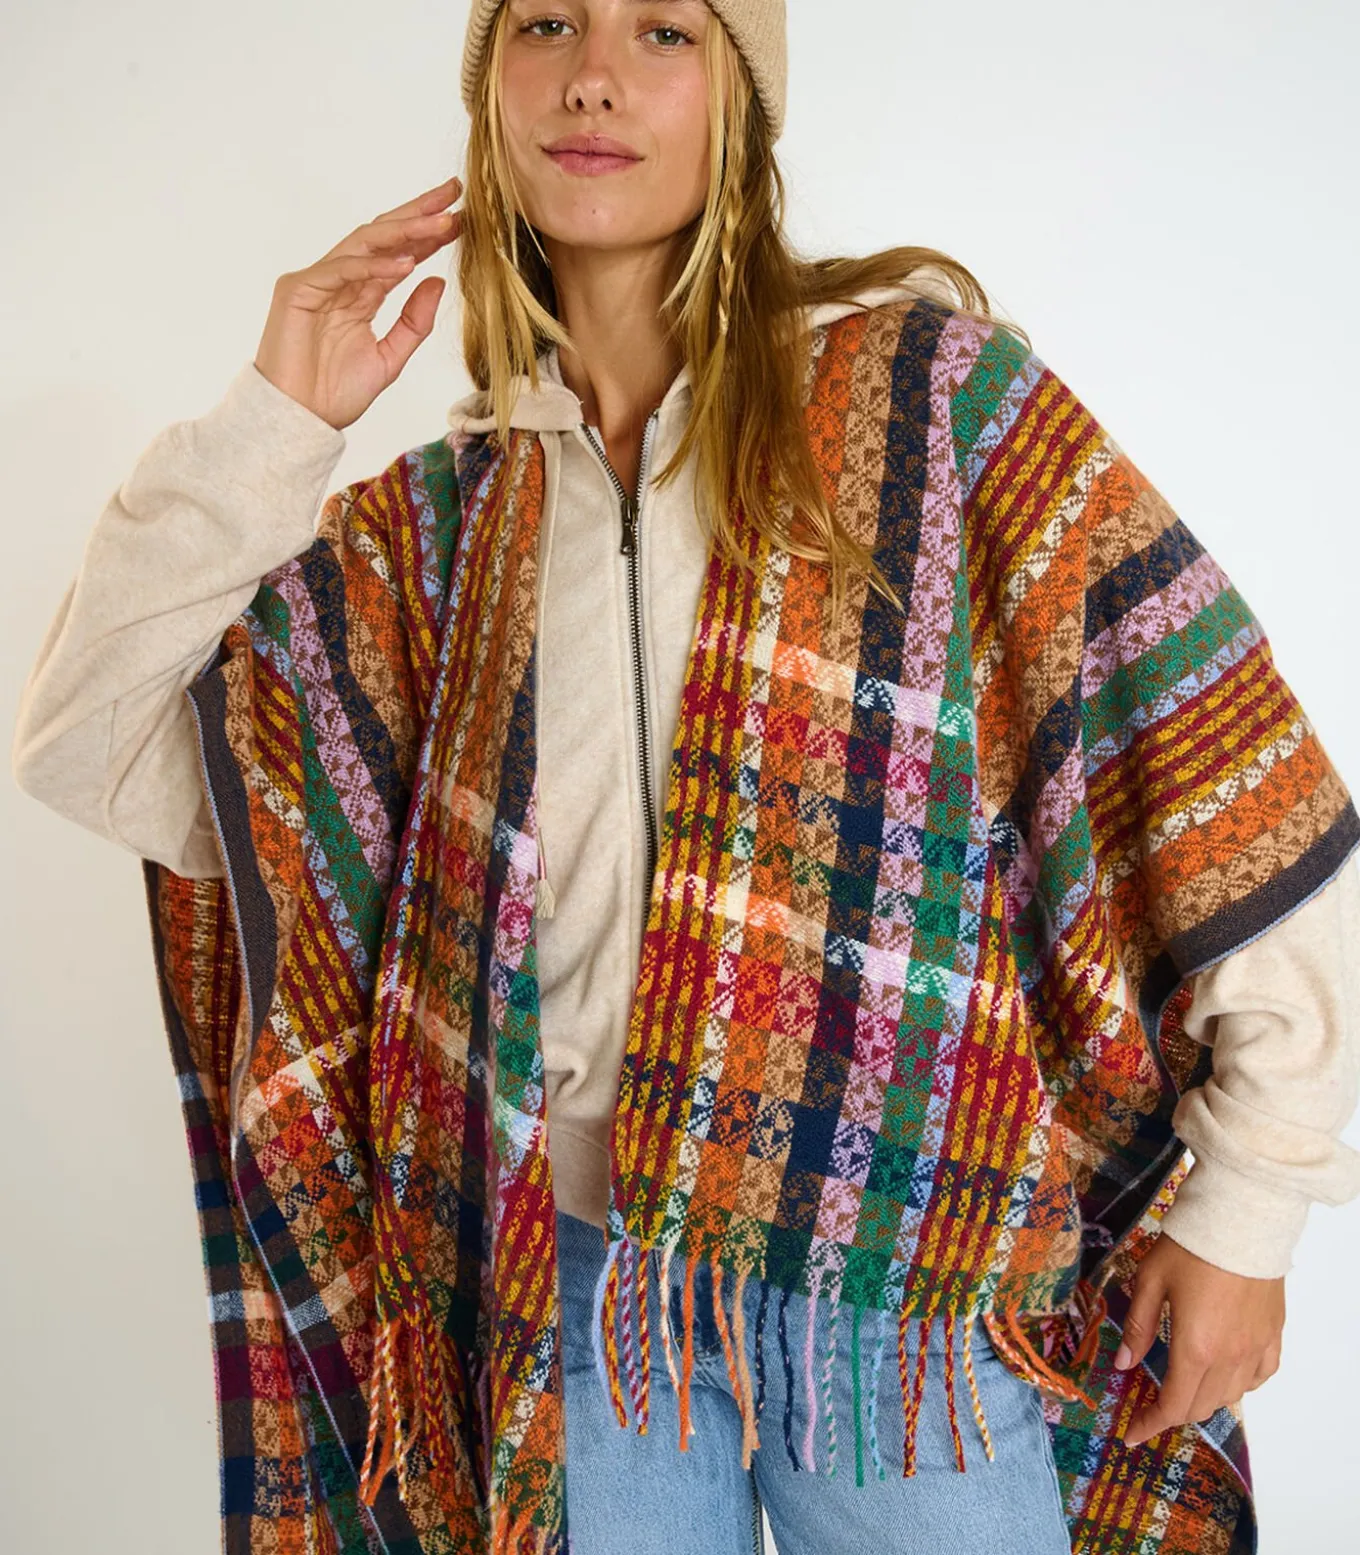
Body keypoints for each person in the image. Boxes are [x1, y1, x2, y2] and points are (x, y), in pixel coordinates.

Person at [12, 2, 1360, 1552]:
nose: (594, 75)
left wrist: (1249, 1210)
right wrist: (274, 420)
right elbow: (94, 742)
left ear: (742, 98)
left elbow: (1229, 779)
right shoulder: (436, 537)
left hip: (907, 1308)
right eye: (546, 23)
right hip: (581, 1308)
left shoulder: (934, 408)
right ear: (490, 91)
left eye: (663, 30)